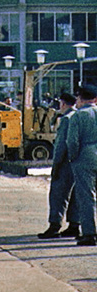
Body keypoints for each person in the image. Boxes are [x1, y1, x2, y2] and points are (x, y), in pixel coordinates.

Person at [39, 93, 80, 239]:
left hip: (65, 163)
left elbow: (61, 145)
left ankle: (54, 225)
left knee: (58, 194)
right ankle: (74, 225)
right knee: (76, 195)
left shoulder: (66, 119)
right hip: (80, 162)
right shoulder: (80, 115)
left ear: (63, 104)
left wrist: (55, 165)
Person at [64, 85, 97, 247]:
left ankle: (89, 233)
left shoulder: (78, 116)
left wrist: (73, 157)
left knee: (86, 197)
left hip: (85, 156)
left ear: (81, 99)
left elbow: (72, 141)